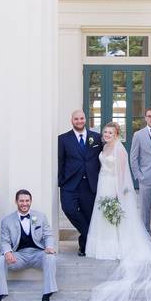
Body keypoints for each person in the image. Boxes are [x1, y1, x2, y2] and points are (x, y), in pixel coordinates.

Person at [65, 121, 151, 301]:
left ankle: (117, 246)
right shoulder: (103, 146)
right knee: (102, 217)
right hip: (102, 183)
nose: (106, 134)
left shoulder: (119, 148)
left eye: (110, 132)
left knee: (114, 217)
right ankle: (102, 247)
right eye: (105, 132)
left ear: (117, 134)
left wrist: (118, 193)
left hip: (113, 185)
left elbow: (123, 173)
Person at [0, 189, 57, 301]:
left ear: (30, 201)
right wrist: (7, 252)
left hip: (38, 254)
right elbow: (5, 241)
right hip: (19, 256)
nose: (24, 203)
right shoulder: (7, 221)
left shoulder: (40, 216)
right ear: (16, 202)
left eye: (27, 201)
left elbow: (48, 235)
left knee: (51, 258)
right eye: (21, 201)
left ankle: (46, 300)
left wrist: (49, 247)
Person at [57, 110, 101, 256]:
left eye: (82, 118)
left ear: (85, 119)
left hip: (90, 184)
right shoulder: (63, 139)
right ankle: (91, 236)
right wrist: (61, 180)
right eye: (76, 119)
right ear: (72, 120)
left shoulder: (97, 138)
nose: (79, 121)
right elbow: (60, 161)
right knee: (68, 209)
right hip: (70, 184)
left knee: (88, 215)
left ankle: (84, 247)